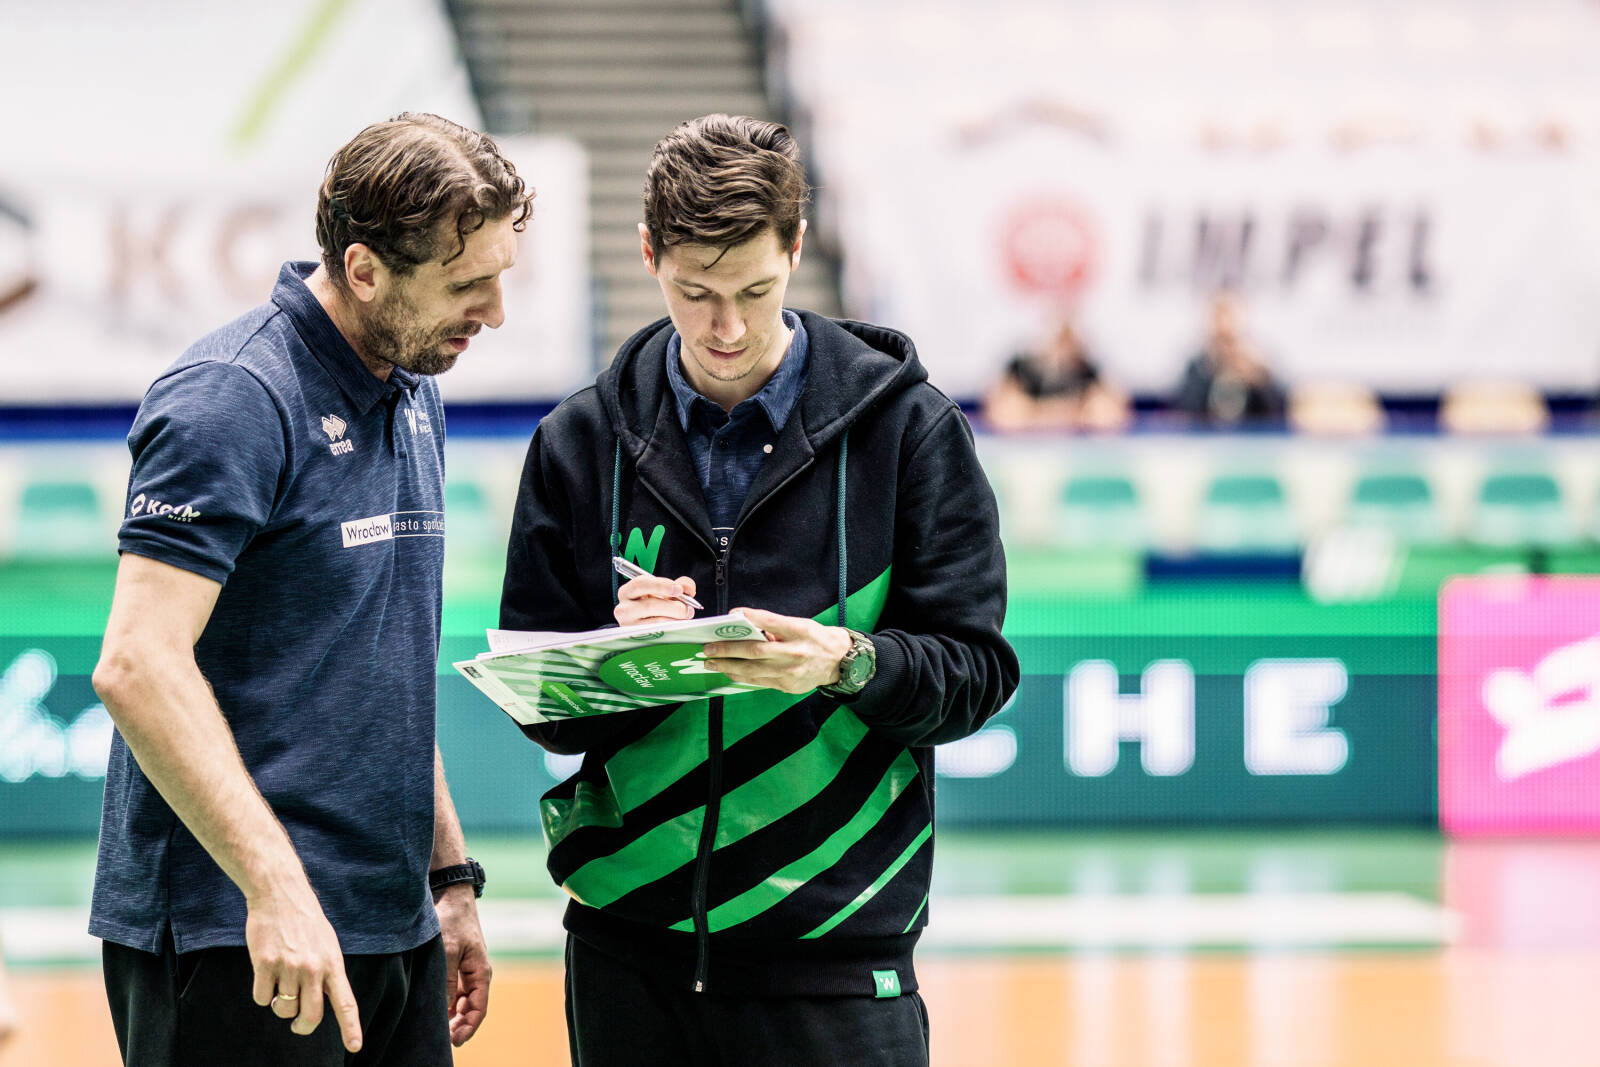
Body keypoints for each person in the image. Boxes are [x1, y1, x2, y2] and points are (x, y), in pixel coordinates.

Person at [500, 114, 1019, 1066]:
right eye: (695, 293)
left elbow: (975, 675)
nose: (726, 328)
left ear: (796, 248)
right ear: (649, 254)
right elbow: (545, 713)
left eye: (754, 291)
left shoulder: (911, 433)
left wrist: (847, 662)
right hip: (626, 959)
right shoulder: (577, 443)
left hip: (838, 963)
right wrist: (620, 658)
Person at [89, 113, 532, 1065]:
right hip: (243, 930)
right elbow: (136, 664)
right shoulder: (232, 396)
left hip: (389, 921)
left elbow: (379, 660)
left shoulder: (413, 384)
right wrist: (276, 888)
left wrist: (448, 876)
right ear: (365, 270)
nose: (495, 311)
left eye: (500, 276)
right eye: (466, 284)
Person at [982, 317, 1129, 431]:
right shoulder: (1021, 369)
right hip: (1024, 439)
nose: (1062, 349)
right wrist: (1046, 413)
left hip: (1077, 438)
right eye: (1058, 339)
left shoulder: (1086, 370)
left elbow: (1114, 411)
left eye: (1067, 341)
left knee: (1102, 409)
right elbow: (997, 410)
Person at [1173, 291, 1286, 426]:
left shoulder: (1257, 365)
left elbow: (1276, 413)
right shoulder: (1198, 366)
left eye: (1230, 318)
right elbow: (1187, 409)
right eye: (1219, 317)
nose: (1225, 325)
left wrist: (1256, 379)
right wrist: (1210, 371)